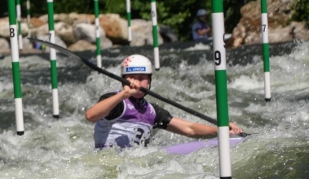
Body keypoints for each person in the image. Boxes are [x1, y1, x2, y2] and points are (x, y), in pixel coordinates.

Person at [85, 55, 243, 149]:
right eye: (132, 79)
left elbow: (189, 129)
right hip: (108, 166)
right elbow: (91, 116)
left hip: (133, 167)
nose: (138, 83)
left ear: (149, 80)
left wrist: (220, 130)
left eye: (142, 79)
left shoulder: (152, 112)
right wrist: (124, 94)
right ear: (123, 80)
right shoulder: (115, 102)